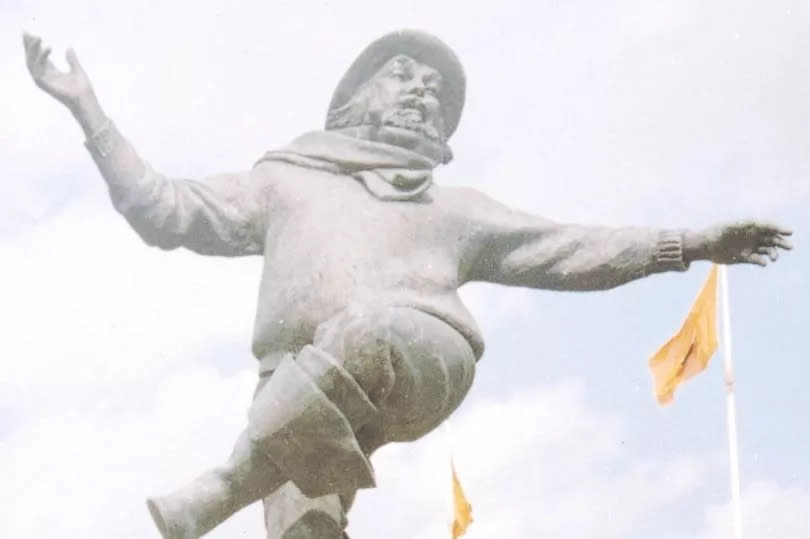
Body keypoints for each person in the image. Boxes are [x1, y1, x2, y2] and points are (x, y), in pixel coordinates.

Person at [23, 29, 792, 539]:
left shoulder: (454, 211)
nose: (423, 90)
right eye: (403, 75)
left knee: (365, 329)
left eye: (437, 90)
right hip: (293, 392)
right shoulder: (284, 182)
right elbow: (161, 210)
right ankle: (266, 491)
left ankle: (223, 485)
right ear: (353, 100)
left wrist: (690, 243)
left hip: (422, 353)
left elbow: (570, 249)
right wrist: (87, 109)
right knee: (302, 527)